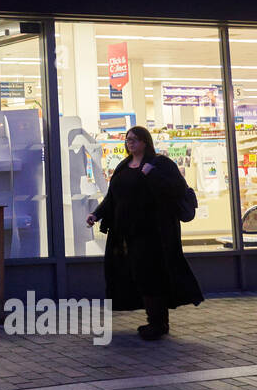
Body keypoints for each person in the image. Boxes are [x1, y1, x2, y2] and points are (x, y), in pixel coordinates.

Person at [86, 126, 204, 340]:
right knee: (137, 274)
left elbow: (176, 189)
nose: (130, 143)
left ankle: (157, 323)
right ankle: (157, 320)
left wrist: (152, 174)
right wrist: (97, 214)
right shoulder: (123, 166)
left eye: (134, 139)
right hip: (125, 231)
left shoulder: (160, 164)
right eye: (128, 139)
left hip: (153, 233)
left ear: (145, 142)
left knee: (150, 274)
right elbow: (114, 198)